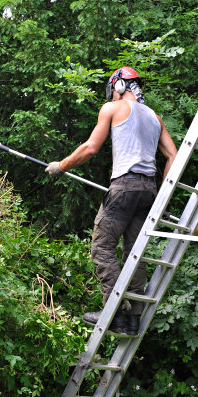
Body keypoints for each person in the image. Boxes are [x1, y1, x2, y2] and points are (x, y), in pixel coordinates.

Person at [46, 67, 177, 335]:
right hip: (148, 190)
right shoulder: (155, 117)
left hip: (124, 186)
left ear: (118, 86)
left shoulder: (112, 109)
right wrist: (161, 193)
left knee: (102, 245)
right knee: (134, 252)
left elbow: (90, 148)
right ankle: (132, 319)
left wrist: (62, 165)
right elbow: (173, 156)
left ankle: (114, 311)